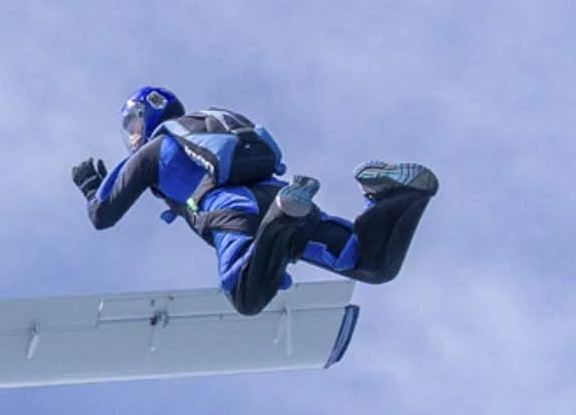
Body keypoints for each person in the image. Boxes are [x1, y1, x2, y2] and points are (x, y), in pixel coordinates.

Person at [73, 86, 439, 317]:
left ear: (146, 117)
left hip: (231, 208)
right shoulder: (211, 124)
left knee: (245, 295)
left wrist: (92, 185)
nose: (133, 135)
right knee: (371, 263)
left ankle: (281, 220)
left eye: (133, 125)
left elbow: (102, 214)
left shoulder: (157, 147)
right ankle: (400, 196)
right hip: (276, 191)